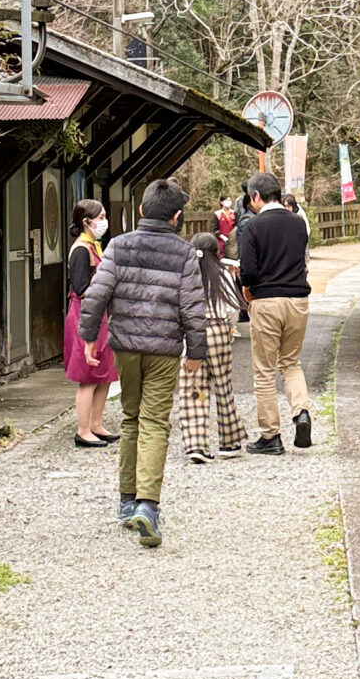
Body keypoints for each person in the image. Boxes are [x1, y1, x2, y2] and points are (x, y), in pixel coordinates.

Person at [76, 179, 207, 547]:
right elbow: (193, 308)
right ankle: (147, 506)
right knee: (154, 421)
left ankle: (126, 500)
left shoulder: (118, 245)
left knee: (131, 417)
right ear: (177, 216)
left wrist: (88, 338)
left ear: (141, 211)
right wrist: (196, 352)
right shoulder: (183, 253)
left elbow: (96, 293)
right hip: (165, 349)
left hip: (126, 346)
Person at [235, 170, 312, 455]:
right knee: (291, 363)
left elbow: (249, 271)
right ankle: (301, 412)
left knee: (265, 370)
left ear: (256, 197)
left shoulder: (253, 227)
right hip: (298, 301)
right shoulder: (298, 224)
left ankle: (270, 436)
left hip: (266, 301)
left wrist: (248, 289)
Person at [173, 234, 249, 464]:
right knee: (223, 386)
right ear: (217, 252)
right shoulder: (223, 274)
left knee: (193, 389)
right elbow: (233, 309)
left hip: (191, 335)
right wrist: (229, 329)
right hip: (217, 330)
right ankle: (230, 441)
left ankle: (196, 444)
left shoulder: (183, 275)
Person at [64, 199, 118, 448]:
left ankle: (96, 423)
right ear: (86, 221)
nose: (103, 222)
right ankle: (83, 429)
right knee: (88, 375)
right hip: (84, 313)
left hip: (100, 312)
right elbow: (81, 287)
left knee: (104, 373)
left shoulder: (94, 245)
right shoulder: (80, 249)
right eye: (100, 217)